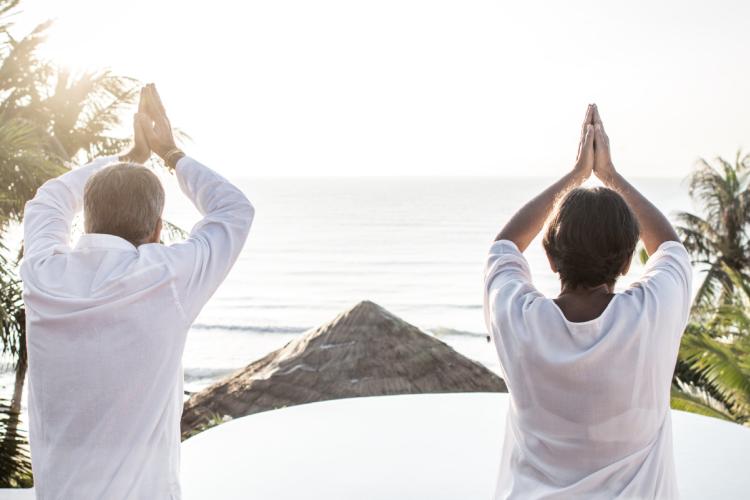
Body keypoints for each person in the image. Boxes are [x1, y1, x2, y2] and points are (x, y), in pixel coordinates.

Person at [20, 84, 254, 499]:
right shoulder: (165, 279)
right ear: (157, 230)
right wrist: (171, 153)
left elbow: (48, 201)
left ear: (88, 221)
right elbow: (234, 210)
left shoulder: (43, 276)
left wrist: (130, 157)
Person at [484, 105, 692, 498]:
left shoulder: (520, 322)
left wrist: (576, 176)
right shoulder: (649, 318)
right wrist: (610, 177)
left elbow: (504, 246)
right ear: (629, 261)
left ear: (549, 257)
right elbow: (670, 250)